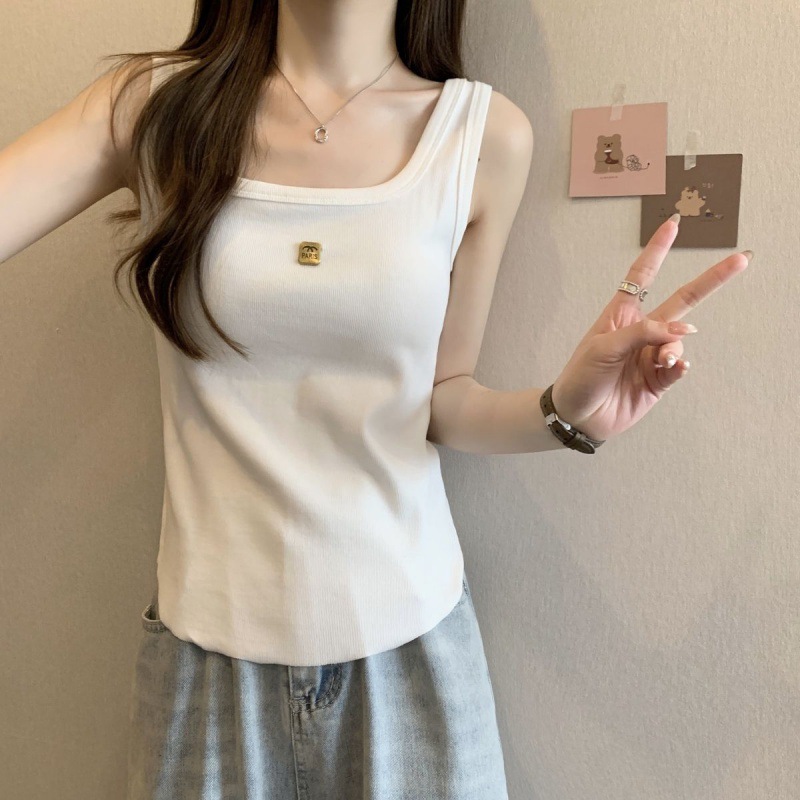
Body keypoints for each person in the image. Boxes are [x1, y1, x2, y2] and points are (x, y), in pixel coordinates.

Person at [0, 0, 751, 798]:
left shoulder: (483, 135)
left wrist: (563, 409)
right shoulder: (152, 110)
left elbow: (443, 399)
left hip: (412, 649)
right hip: (206, 655)